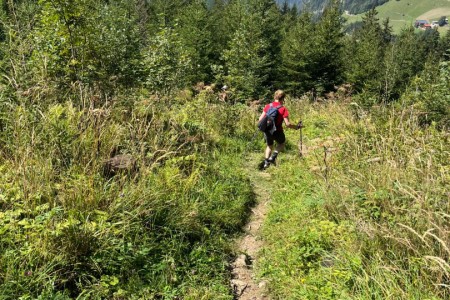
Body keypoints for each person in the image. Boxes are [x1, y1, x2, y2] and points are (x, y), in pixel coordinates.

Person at [258, 90, 300, 169]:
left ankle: (266, 163)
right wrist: (296, 127)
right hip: (278, 131)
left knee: (269, 146)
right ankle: (272, 157)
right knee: (281, 144)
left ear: (275, 96)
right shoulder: (283, 109)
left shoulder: (268, 106)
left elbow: (260, 119)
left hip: (267, 130)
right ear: (283, 98)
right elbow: (288, 124)